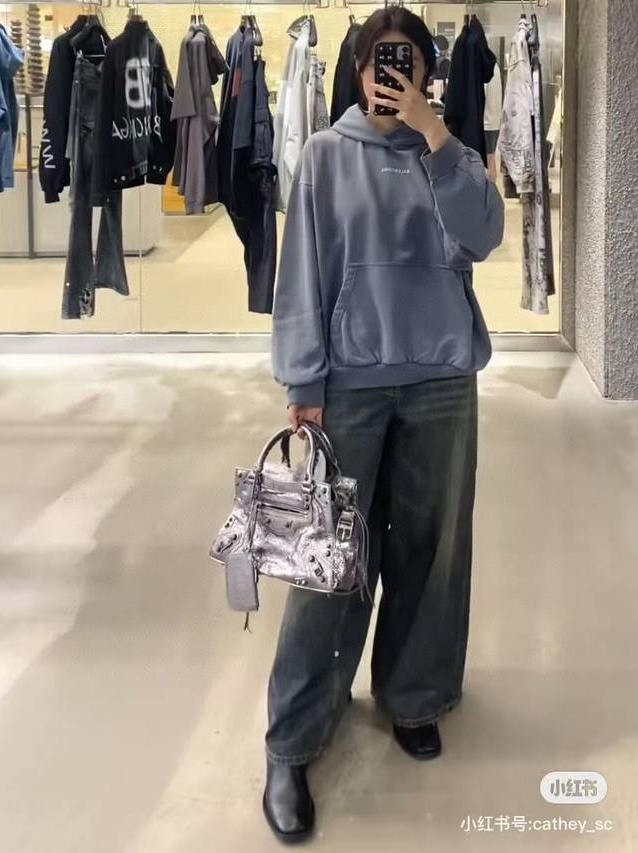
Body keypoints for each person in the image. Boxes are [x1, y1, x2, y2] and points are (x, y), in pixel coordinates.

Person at [264, 6, 504, 843]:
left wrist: (436, 133)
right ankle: (293, 738)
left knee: (432, 551)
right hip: (353, 383)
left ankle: (416, 695)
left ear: (427, 72)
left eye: (407, 62)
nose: (390, 76)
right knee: (328, 562)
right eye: (378, 61)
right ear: (359, 68)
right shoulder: (327, 156)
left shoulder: (451, 155)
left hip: (441, 379)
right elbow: (302, 272)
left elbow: (485, 234)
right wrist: (303, 375)